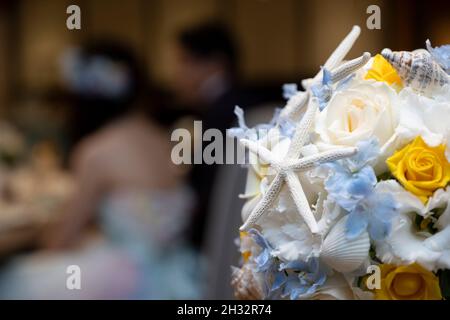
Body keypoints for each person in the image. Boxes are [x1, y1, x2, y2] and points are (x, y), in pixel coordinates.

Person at [0, 42, 201, 299]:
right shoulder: (162, 139)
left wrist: (39, 231)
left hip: (133, 280)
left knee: (14, 280)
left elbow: (60, 240)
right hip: (181, 273)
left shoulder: (97, 150)